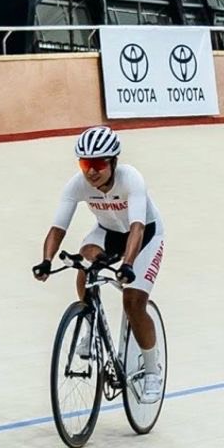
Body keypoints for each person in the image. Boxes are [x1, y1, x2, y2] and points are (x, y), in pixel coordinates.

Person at [32, 125, 165, 403]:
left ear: (113, 162)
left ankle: (152, 370)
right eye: (85, 163)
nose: (91, 171)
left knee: (133, 302)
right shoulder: (77, 185)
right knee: (83, 262)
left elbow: (137, 227)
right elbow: (58, 228)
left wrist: (128, 265)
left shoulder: (131, 180)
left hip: (145, 235)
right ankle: (90, 324)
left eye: (98, 164)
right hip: (108, 232)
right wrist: (46, 261)